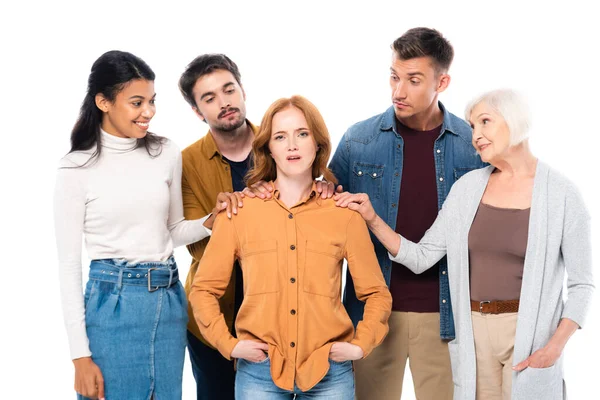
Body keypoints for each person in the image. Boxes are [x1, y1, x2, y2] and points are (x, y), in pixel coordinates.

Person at [335, 89, 594, 400]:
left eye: (485, 122)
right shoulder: (467, 189)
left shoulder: (562, 194)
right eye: (472, 127)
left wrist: (554, 347)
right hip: (473, 334)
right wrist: (373, 218)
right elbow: (422, 255)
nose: (476, 136)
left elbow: (582, 285)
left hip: (530, 335)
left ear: (515, 122)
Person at [189, 96, 392, 399]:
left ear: (318, 144)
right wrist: (229, 344)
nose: (292, 145)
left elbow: (375, 293)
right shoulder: (240, 213)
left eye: (302, 134)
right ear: (268, 148)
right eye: (280, 137)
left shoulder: (344, 214)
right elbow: (204, 290)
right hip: (258, 372)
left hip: (330, 373)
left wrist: (361, 344)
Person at [53, 50, 219, 400]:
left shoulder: (165, 152)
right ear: (104, 102)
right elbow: (69, 266)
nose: (149, 112)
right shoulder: (75, 168)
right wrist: (79, 356)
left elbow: (171, 231)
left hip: (169, 301)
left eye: (152, 101)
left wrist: (210, 222)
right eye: (136, 102)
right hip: (112, 307)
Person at [178, 53, 257, 399]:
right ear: (198, 111)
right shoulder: (186, 162)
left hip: (278, 313)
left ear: (242, 90)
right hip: (212, 317)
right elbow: (197, 248)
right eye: (209, 98)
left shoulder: (281, 144)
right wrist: (219, 215)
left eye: (229, 90)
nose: (224, 103)